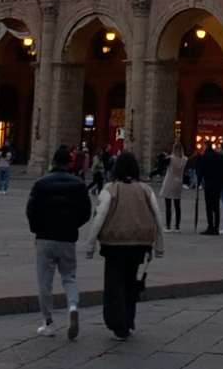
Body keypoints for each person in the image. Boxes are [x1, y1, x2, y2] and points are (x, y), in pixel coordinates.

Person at [86, 151, 165, 341]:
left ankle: (118, 325)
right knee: (131, 282)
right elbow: (157, 216)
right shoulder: (145, 189)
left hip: (115, 244)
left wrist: (90, 246)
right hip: (139, 243)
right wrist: (159, 246)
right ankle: (129, 321)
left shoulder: (110, 189)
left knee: (115, 284)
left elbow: (99, 218)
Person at [26, 145, 92, 340]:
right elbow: (86, 212)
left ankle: (48, 322)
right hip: (67, 237)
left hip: (45, 237)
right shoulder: (78, 184)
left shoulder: (41, 183)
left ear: (53, 162)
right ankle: (72, 306)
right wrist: (73, 225)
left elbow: (31, 210)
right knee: (69, 276)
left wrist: (37, 228)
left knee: (45, 281)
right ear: (70, 163)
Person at [196, 140, 223, 235]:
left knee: (209, 206)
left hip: (209, 184)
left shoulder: (205, 156)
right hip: (217, 184)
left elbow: (201, 170)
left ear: (206, 146)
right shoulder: (218, 156)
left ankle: (210, 226)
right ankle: (216, 227)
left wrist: (198, 181)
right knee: (216, 206)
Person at [159, 141, 187, 233]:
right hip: (178, 183)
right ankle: (177, 226)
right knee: (177, 206)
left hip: (169, 182)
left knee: (168, 206)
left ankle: (168, 225)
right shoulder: (184, 160)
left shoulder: (171, 159)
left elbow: (161, 163)